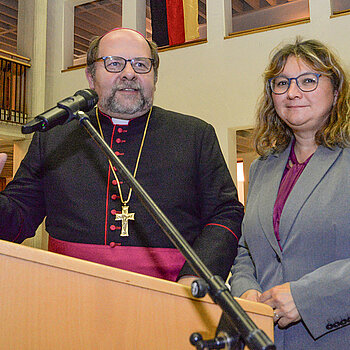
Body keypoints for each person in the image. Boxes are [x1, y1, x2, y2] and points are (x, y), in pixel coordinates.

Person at [0, 28, 244, 284]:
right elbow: (18, 218)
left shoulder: (194, 135)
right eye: (114, 63)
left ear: (155, 77)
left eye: (141, 65)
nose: (129, 73)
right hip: (69, 291)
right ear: (90, 77)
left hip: (170, 295)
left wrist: (197, 276)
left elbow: (225, 214)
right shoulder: (54, 137)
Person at [229, 37, 350, 349]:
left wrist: (307, 297)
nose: (292, 92)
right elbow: (246, 250)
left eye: (308, 80)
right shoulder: (261, 168)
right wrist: (245, 290)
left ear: (336, 91)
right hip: (267, 338)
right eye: (281, 83)